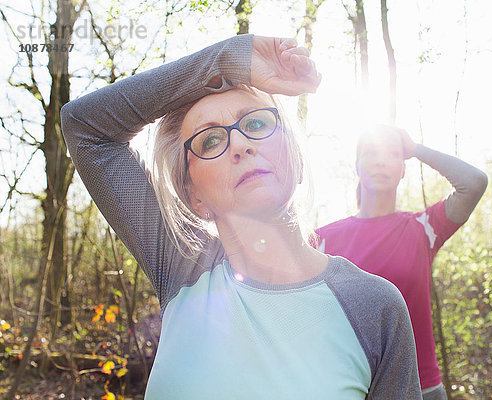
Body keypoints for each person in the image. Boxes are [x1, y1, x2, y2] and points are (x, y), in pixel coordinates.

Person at [61, 34, 423, 399]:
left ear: (295, 157)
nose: (239, 144)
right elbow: (86, 127)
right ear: (194, 195)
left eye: (255, 124)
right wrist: (230, 58)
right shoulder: (183, 269)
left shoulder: (375, 307)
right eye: (210, 141)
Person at [315, 125, 488, 400]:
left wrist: (416, 149)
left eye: (393, 154)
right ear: (356, 166)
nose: (382, 160)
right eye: (371, 153)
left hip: (421, 388)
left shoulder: (423, 228)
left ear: (403, 168)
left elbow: (474, 182)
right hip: (351, 388)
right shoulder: (322, 239)